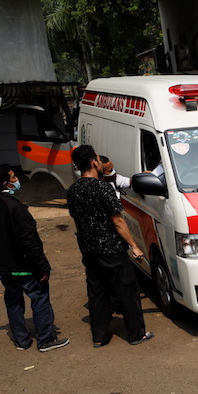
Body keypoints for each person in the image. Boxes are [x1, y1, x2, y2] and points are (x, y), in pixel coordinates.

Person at [66, 144, 154, 347]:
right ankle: (136, 334)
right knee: (127, 291)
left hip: (89, 249)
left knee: (97, 293)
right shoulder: (103, 188)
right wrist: (134, 245)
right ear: (93, 162)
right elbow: (118, 221)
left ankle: (100, 336)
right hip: (111, 250)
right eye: (97, 158)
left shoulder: (72, 191)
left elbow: (78, 222)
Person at [0, 164, 69, 352]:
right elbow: (29, 241)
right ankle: (45, 340)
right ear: (5, 183)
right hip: (25, 266)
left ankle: (22, 340)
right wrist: (43, 266)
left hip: (3, 266)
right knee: (40, 299)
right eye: (12, 178)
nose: (16, 180)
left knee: (13, 301)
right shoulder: (16, 208)